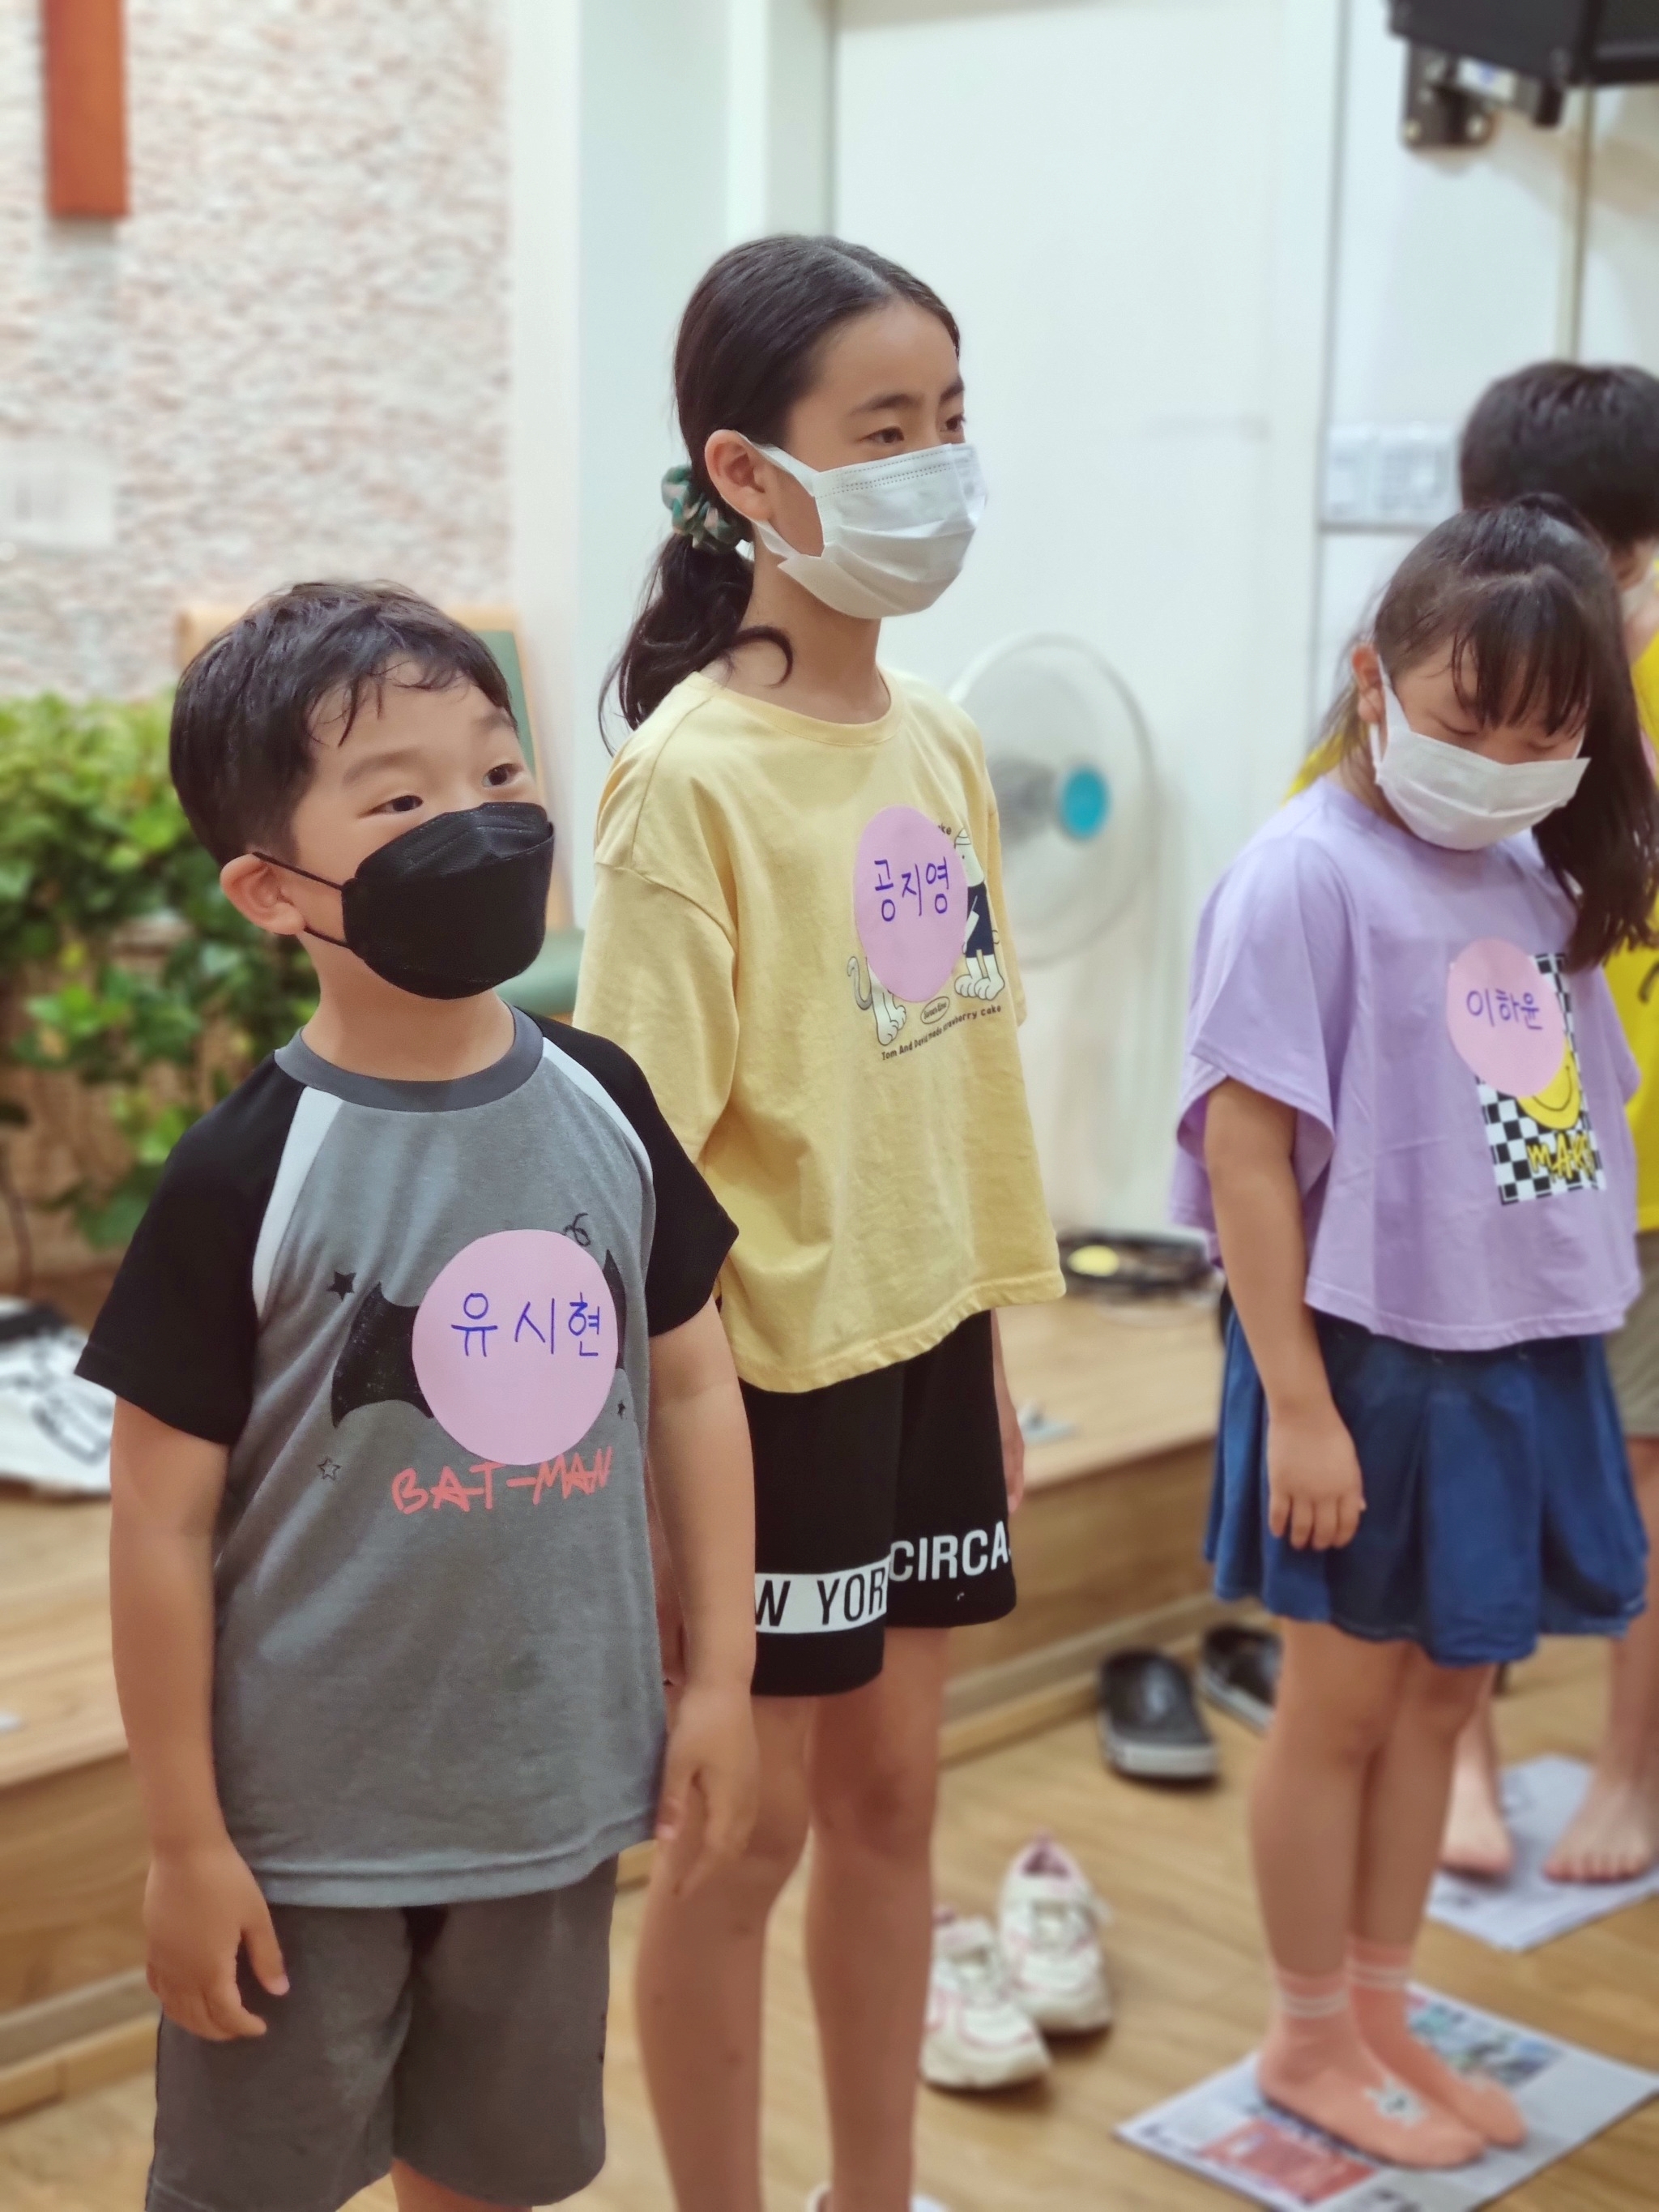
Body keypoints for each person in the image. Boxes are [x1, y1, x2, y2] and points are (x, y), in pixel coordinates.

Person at [80, 583, 759, 2212]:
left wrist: (724, 1679)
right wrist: (184, 1841)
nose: (475, 821)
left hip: (552, 1798)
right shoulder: (246, 1172)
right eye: (399, 801)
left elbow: (690, 1388)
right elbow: (155, 1525)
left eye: (499, 773)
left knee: (492, 2179)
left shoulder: (605, 1104)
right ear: (272, 888)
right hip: (301, 1834)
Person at [574, 236, 1062, 2212]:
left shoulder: (937, 738)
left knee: (895, 1799)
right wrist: (660, 1493)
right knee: (738, 1840)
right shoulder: (685, 785)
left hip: (925, 1346)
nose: (934, 463)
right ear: (747, 473)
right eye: (883, 430)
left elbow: (948, 1069)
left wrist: (989, 1351)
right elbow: (633, 1182)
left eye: (949, 418)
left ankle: (874, 2190)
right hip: (762, 1392)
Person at [1173, 499, 1659, 2166]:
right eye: (1472, 717)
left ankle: (1378, 2011)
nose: (1506, 761)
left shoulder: (1534, 874)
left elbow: (1542, 1128)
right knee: (1341, 1709)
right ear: (1372, 677)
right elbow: (1246, 1159)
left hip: (1513, 1350)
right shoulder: (1301, 873)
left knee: (1448, 1701)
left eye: (1547, 732)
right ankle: (1307, 2032)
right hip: (1365, 1359)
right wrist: (1300, 1405)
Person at [1439, 362, 1659, 1883]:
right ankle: (1462, 1757)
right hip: (1475, 1165)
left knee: (1641, 1473)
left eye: (1617, 556)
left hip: (1640, 1173)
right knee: (1473, 1469)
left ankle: (1630, 1773)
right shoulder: (1429, 681)